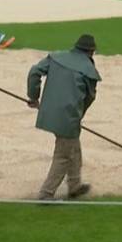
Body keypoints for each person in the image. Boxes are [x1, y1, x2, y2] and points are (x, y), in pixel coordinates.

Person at [26, 34, 101, 201]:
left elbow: (34, 72)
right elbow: (89, 98)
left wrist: (33, 97)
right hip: (68, 117)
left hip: (48, 111)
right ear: (91, 52)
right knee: (63, 155)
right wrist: (77, 117)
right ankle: (46, 193)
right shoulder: (90, 71)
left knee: (73, 145)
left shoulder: (56, 57)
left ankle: (74, 186)